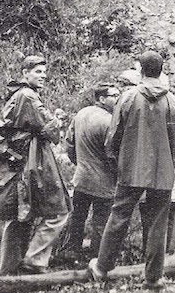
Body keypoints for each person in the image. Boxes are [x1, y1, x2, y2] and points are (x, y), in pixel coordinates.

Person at [88, 51, 175, 290]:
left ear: (140, 70)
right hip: (162, 172)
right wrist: (170, 162)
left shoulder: (128, 97)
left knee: (119, 216)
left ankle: (102, 268)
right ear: (161, 70)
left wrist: (118, 164)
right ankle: (154, 277)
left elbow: (112, 138)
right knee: (157, 223)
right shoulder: (173, 102)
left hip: (131, 169)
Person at [0, 54, 71, 275]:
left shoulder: (20, 94)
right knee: (58, 209)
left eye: (44, 72)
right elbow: (49, 129)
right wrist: (58, 119)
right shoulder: (28, 96)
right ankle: (35, 259)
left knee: (20, 214)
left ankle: (8, 270)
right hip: (32, 161)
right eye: (37, 72)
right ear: (25, 73)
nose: (43, 76)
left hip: (22, 162)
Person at [61, 83, 120, 262]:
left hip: (81, 178)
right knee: (101, 220)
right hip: (103, 182)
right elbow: (113, 155)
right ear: (102, 99)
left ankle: (71, 251)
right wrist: (117, 174)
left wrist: (79, 163)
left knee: (77, 217)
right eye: (114, 95)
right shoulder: (110, 122)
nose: (118, 98)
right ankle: (99, 257)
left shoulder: (81, 114)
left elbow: (69, 144)